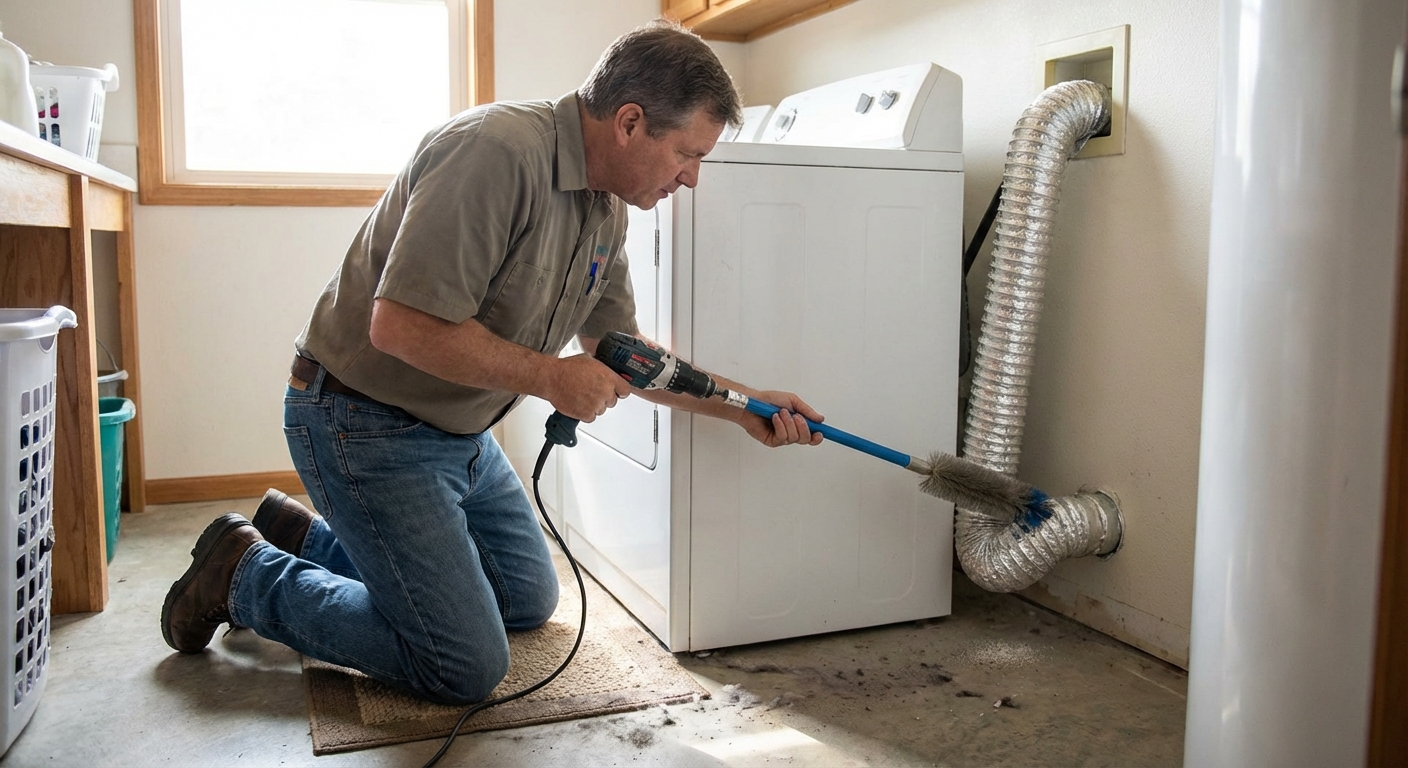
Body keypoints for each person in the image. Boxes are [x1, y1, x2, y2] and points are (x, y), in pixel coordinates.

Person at [159, 19, 824, 705]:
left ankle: (300, 534)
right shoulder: (495, 152)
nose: (692, 179)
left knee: (526, 598)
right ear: (630, 123)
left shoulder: (606, 209)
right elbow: (401, 326)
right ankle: (243, 574)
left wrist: (745, 407)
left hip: (458, 434)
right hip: (360, 422)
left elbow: (621, 354)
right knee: (464, 664)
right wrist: (550, 378)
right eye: (688, 154)